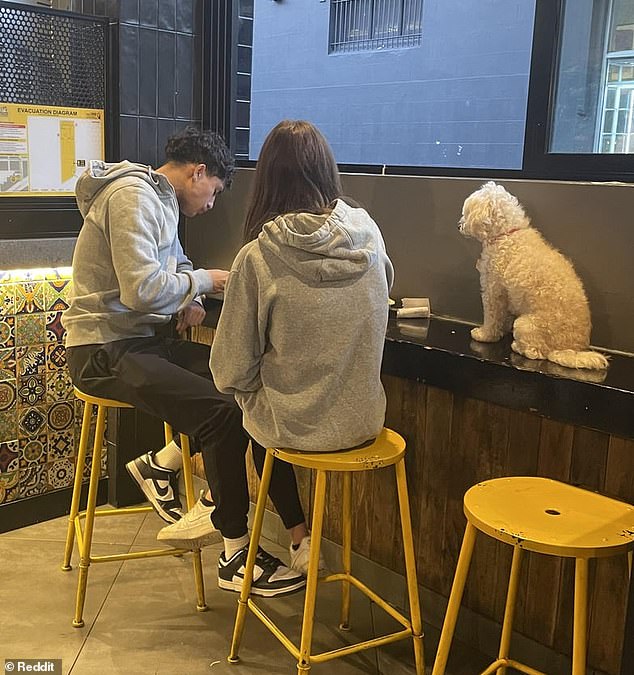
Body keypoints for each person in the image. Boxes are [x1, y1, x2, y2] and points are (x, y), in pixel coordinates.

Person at [63, 127, 308, 597]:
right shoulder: (133, 196)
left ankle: (162, 465)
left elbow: (171, 268)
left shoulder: (161, 201)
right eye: (214, 191)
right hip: (103, 349)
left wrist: (186, 292)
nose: (212, 204)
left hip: (140, 341)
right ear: (198, 172)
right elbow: (141, 289)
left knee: (236, 384)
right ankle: (236, 554)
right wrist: (203, 283)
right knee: (220, 412)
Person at [210, 121, 393, 513]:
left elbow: (228, 372)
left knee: (243, 406)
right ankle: (290, 538)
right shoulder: (370, 237)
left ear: (266, 182)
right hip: (365, 423)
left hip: (291, 430)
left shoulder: (257, 258)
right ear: (328, 171)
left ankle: (247, 528)